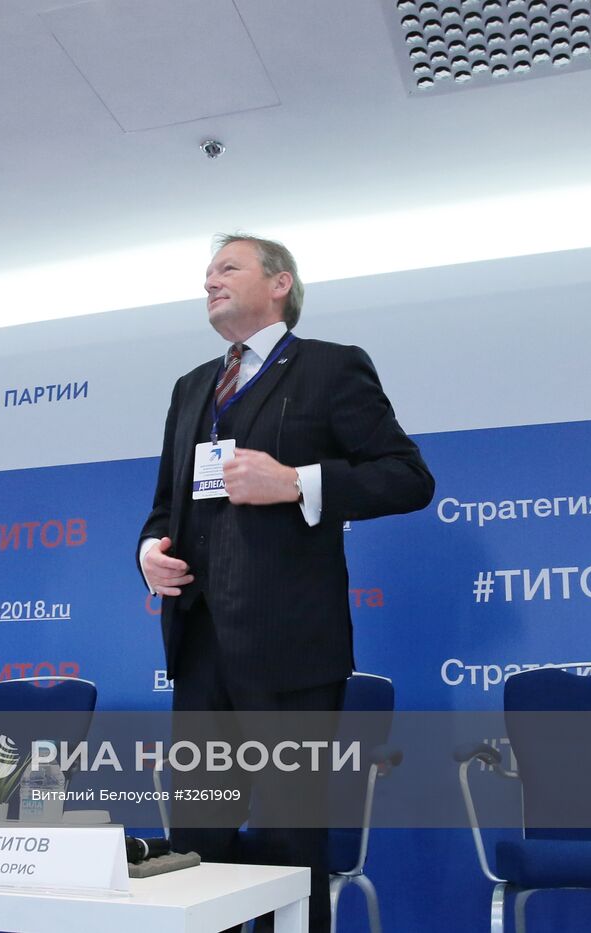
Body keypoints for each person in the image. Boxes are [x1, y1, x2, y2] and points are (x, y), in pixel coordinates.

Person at [138, 234, 433, 932]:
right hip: (201, 650)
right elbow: (165, 505)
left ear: (280, 284)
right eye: (207, 273)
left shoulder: (331, 366)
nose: (209, 281)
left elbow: (407, 477)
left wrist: (297, 481)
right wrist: (148, 550)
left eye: (227, 268)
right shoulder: (191, 387)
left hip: (291, 652)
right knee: (196, 845)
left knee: (287, 846)